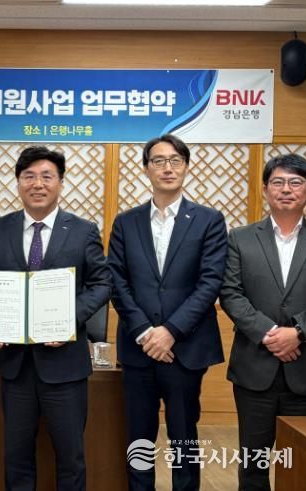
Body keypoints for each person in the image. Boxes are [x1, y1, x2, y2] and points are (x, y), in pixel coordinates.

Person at [0, 146, 111, 490]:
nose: (37, 184)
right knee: (17, 457)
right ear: (18, 182)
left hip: (65, 365)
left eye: (46, 176)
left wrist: (69, 319)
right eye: (29, 176)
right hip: (16, 366)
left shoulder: (83, 230)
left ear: (60, 183)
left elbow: (102, 284)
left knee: (70, 458)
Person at [108, 134, 227, 491]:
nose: (168, 168)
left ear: (186, 166)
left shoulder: (208, 220)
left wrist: (171, 331)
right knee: (138, 437)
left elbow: (210, 282)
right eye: (158, 161)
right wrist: (146, 332)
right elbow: (116, 281)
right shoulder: (126, 222)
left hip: (185, 348)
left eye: (175, 160)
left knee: (184, 435)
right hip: (139, 347)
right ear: (146, 169)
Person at [220, 153, 306, 491]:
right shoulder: (240, 238)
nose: (286, 189)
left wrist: (299, 332)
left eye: (295, 182)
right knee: (254, 463)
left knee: (302, 464)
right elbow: (230, 293)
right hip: (254, 369)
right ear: (265, 189)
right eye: (278, 182)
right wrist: (271, 334)